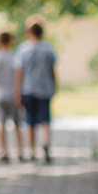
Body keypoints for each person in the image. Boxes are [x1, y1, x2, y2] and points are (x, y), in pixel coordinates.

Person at [16, 20, 58, 162]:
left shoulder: (23, 49)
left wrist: (17, 92)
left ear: (29, 32)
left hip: (28, 89)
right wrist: (55, 86)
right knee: (45, 120)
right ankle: (45, 144)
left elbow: (19, 73)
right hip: (44, 89)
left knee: (30, 122)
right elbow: (52, 70)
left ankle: (32, 151)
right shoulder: (49, 49)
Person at [0, 31, 22, 163]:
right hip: (13, 94)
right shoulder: (14, 56)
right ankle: (19, 151)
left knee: (1, 123)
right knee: (17, 124)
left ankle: (2, 151)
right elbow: (19, 75)